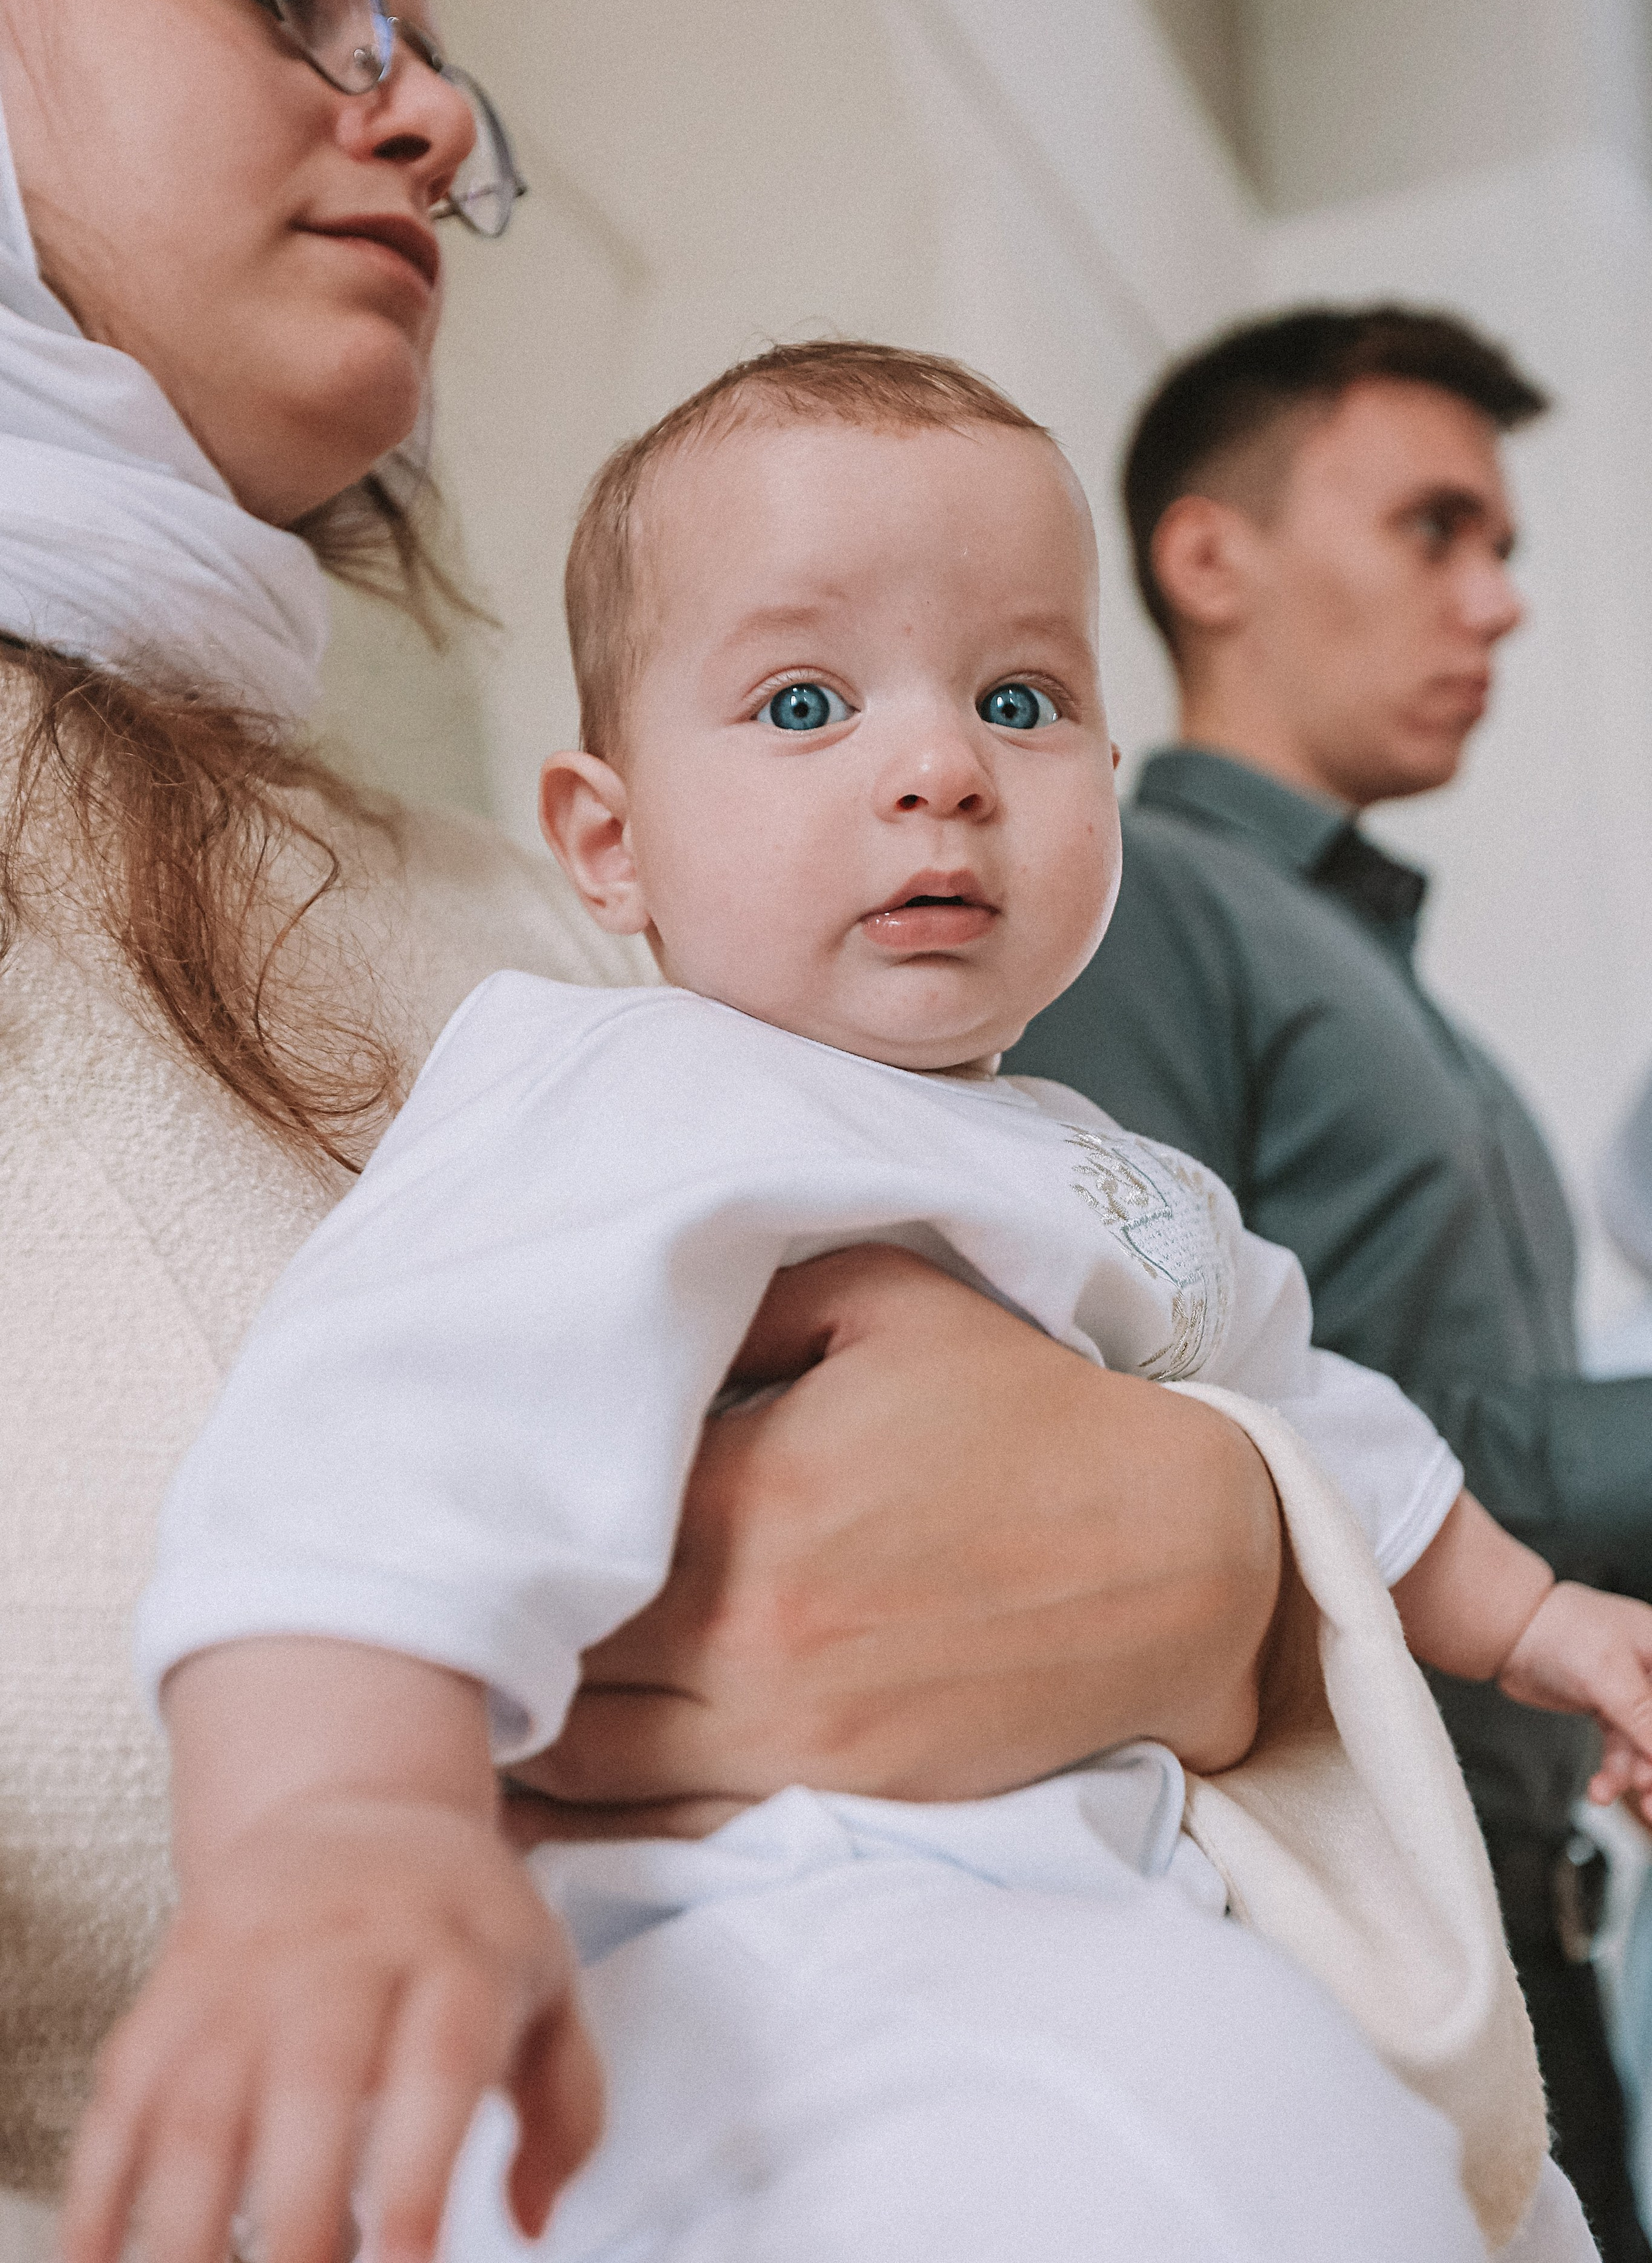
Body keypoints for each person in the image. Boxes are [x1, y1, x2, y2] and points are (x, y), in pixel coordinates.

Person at [0, 0, 1303, 2246]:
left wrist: (1225, 1556)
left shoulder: (596, 939)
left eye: (431, 50)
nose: (429, 114)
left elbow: (1119, 1332)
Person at [68, 343, 1626, 2263]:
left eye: (1019, 701)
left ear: (1108, 786)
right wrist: (342, 1824)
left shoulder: (1117, 1179)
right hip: (747, 1935)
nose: (940, 768)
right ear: (610, 842)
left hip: (1084, 1912)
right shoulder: (617, 1093)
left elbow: (1330, 1436)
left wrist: (1543, 1623)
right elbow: (381, 1444)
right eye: (804, 703)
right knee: (1269, 2156)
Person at [1012, 303, 1652, 2260]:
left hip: (1520, 1909)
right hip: (1333, 1935)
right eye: (1436, 530)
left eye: (1505, 549)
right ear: (1212, 558)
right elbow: (1167, 1421)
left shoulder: (1386, 981)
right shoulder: (1126, 901)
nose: (1499, 601)